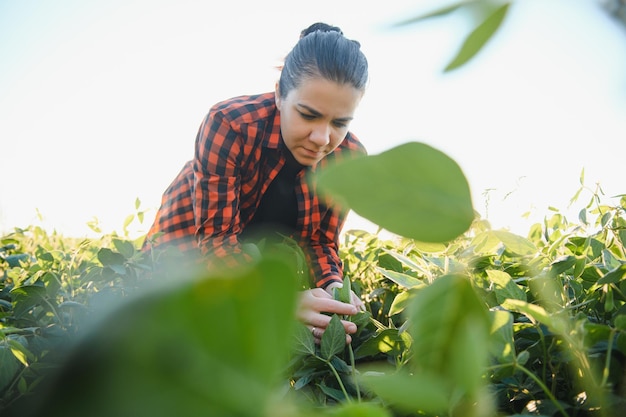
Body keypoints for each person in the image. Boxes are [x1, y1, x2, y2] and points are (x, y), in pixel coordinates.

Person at [144, 22, 368, 344]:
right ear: (279, 94)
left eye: (340, 123)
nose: (322, 138)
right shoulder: (231, 124)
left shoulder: (349, 158)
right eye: (307, 115)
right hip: (185, 247)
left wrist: (335, 288)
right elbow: (216, 243)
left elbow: (321, 242)